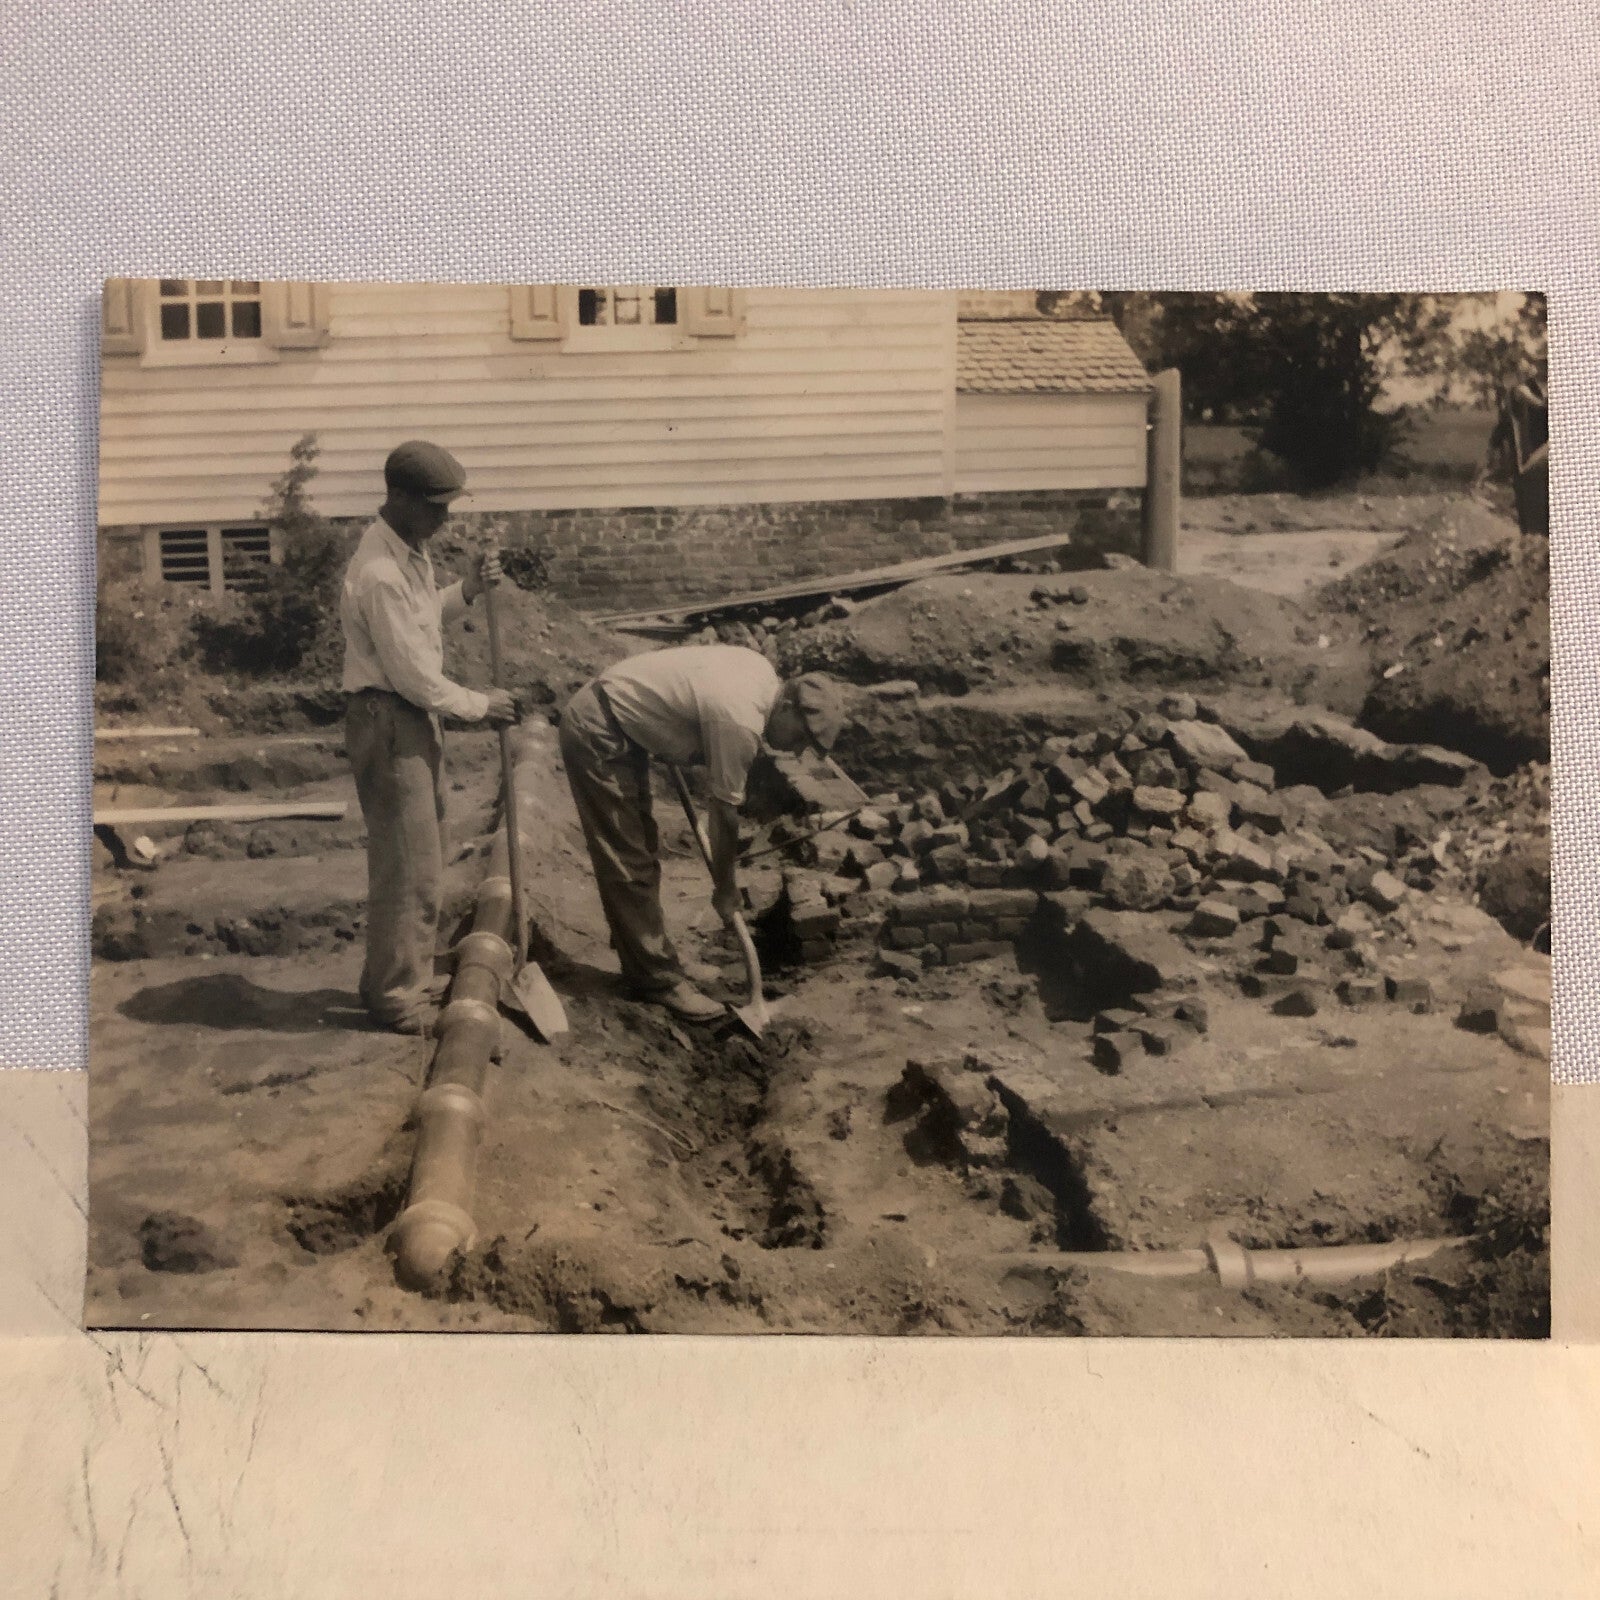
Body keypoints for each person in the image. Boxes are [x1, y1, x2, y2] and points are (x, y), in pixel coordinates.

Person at [560, 645, 846, 1022]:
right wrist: (725, 889)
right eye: (802, 738)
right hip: (599, 729)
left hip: (620, 722)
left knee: (640, 849)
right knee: (629, 857)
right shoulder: (740, 721)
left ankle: (643, 953)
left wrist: (668, 730)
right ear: (789, 706)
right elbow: (724, 816)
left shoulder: (761, 675)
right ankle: (656, 980)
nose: (799, 750)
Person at [341, 439, 520, 1034]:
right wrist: (480, 705)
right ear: (398, 497)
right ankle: (397, 995)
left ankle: (392, 977)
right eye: (437, 506)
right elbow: (414, 676)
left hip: (407, 718)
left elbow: (420, 627)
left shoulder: (407, 553)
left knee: (422, 850)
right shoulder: (382, 571)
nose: (447, 518)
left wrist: (465, 590)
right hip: (390, 718)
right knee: (410, 864)